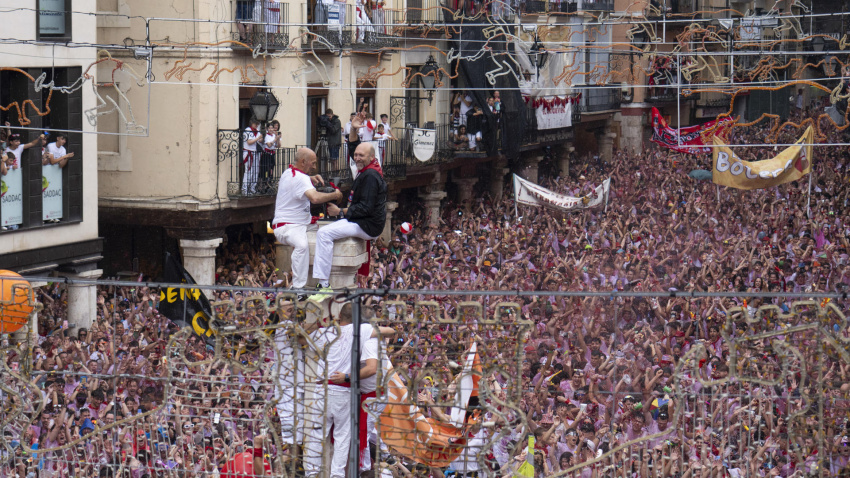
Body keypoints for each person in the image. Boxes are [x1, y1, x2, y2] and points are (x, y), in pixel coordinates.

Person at [301, 302, 396, 478]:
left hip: (321, 389)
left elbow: (299, 337)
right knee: (342, 438)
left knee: (316, 434)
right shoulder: (360, 331)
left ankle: (311, 474)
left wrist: (320, 322)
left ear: (339, 316)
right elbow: (390, 331)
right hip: (342, 390)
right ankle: (337, 475)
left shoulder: (326, 331)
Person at [311, 142, 387, 296]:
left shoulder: (370, 176)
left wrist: (340, 211)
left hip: (367, 225)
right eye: (356, 155)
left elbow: (366, 208)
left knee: (323, 233)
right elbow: (352, 146)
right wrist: (352, 130)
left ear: (372, 157)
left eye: (361, 155)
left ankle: (323, 284)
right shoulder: (369, 170)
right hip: (367, 222)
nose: (357, 158)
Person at [272, 147, 342, 299]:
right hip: (288, 226)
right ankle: (298, 288)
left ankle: (321, 280)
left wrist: (310, 178)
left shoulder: (288, 172)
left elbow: (298, 181)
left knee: (327, 231)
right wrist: (335, 194)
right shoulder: (300, 178)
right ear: (303, 162)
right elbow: (315, 198)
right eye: (313, 163)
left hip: (300, 223)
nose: (315, 167)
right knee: (302, 245)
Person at [42, 134, 74, 223]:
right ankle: (44, 216)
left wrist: (66, 158)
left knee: (53, 195)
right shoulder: (50, 146)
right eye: (62, 139)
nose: (63, 141)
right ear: (58, 138)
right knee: (45, 195)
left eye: (65, 140)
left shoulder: (63, 149)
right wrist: (65, 156)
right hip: (46, 173)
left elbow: (60, 165)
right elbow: (52, 162)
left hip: (55, 175)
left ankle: (52, 215)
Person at [242, 118, 263, 196]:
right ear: (252, 123)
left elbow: (259, 140)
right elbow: (249, 142)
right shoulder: (248, 130)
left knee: (255, 171)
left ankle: (252, 188)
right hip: (248, 152)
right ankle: (245, 189)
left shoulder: (257, 131)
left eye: (257, 124)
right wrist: (258, 138)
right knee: (249, 171)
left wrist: (260, 139)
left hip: (255, 152)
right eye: (255, 124)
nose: (256, 125)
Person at [260, 120, 281, 193]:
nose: (271, 129)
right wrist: (275, 139)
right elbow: (269, 145)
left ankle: (269, 182)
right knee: (266, 169)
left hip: (272, 154)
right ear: (267, 129)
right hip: (267, 154)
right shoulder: (267, 136)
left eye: (272, 128)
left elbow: (278, 146)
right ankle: (264, 184)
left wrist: (278, 139)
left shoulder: (274, 136)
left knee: (271, 168)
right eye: (270, 128)